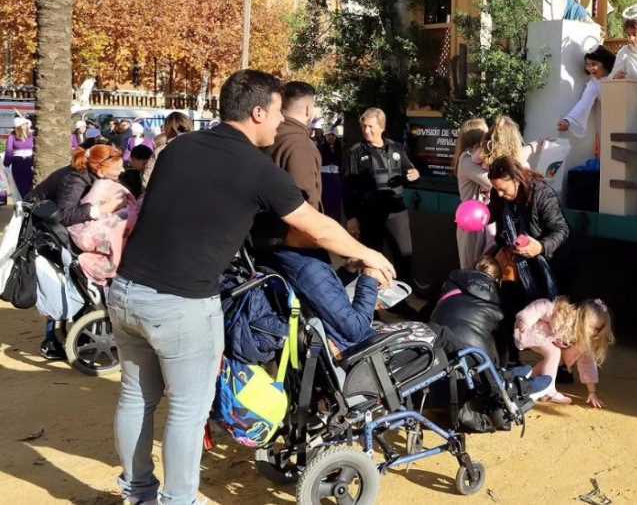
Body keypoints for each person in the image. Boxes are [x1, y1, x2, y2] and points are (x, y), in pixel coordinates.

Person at [109, 69, 396, 505]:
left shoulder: (177, 149)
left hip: (127, 292)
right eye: (278, 112)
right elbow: (316, 227)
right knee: (186, 412)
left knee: (136, 398)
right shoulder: (257, 170)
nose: (281, 123)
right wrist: (369, 254)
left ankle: (138, 493)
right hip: (183, 304)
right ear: (258, 112)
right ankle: (178, 500)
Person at [26, 144, 129, 359]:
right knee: (63, 282)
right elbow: (66, 214)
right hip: (44, 232)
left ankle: (70, 333)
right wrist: (102, 210)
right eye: (117, 168)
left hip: (55, 231)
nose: (122, 172)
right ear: (101, 169)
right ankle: (50, 341)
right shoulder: (75, 179)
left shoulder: (89, 176)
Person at [487, 157, 570, 364]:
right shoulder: (499, 197)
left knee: (551, 321)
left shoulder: (541, 194)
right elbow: (498, 225)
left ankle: (558, 366)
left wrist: (540, 247)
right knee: (506, 314)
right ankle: (509, 363)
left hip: (543, 266)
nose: (499, 194)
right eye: (496, 189)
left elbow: (561, 230)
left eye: (503, 189)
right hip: (513, 264)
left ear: (516, 179)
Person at [344, 107, 420, 285]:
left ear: (381, 127)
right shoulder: (355, 152)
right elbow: (348, 187)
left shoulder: (395, 148)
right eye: (364, 126)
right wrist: (351, 217)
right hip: (369, 213)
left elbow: (410, 170)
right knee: (371, 258)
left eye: (370, 126)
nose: (366, 130)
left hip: (396, 211)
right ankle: (370, 304)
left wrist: (414, 174)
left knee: (404, 254)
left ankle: (400, 298)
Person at [256, 81, 324, 252]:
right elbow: (306, 199)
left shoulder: (264, 135)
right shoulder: (299, 144)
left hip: (263, 237)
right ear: (308, 109)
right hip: (293, 243)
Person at [513, 297, 614, 407]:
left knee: (557, 359)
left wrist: (592, 392)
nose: (594, 333)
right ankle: (549, 390)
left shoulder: (584, 341)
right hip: (530, 331)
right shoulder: (565, 315)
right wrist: (525, 319)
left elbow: (587, 364)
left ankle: (530, 378)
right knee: (554, 353)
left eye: (598, 329)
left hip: (545, 338)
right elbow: (543, 305)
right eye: (592, 327)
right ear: (582, 320)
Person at [430, 256, 506, 364]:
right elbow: (503, 347)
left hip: (437, 349)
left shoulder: (450, 285)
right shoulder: (497, 303)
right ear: (498, 280)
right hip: (475, 358)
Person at [454, 118, 493, 269]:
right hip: (471, 222)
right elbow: (490, 182)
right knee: (470, 268)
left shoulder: (475, 159)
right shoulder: (466, 160)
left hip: (483, 220)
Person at [557, 46, 616, 139]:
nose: (590, 68)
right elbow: (584, 103)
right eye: (587, 64)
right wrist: (568, 121)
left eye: (594, 64)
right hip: (610, 121)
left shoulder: (617, 75)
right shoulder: (593, 84)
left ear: (605, 63)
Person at [142, 112, 192, 190]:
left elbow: (147, 179)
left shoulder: (162, 150)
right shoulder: (201, 148)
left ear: (167, 128)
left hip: (166, 195)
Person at [5, 117, 35, 199]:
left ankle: (24, 204)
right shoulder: (32, 136)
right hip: (30, 162)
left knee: (21, 187)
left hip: (17, 164)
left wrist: (6, 162)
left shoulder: (12, 136)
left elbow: (9, 151)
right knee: (31, 186)